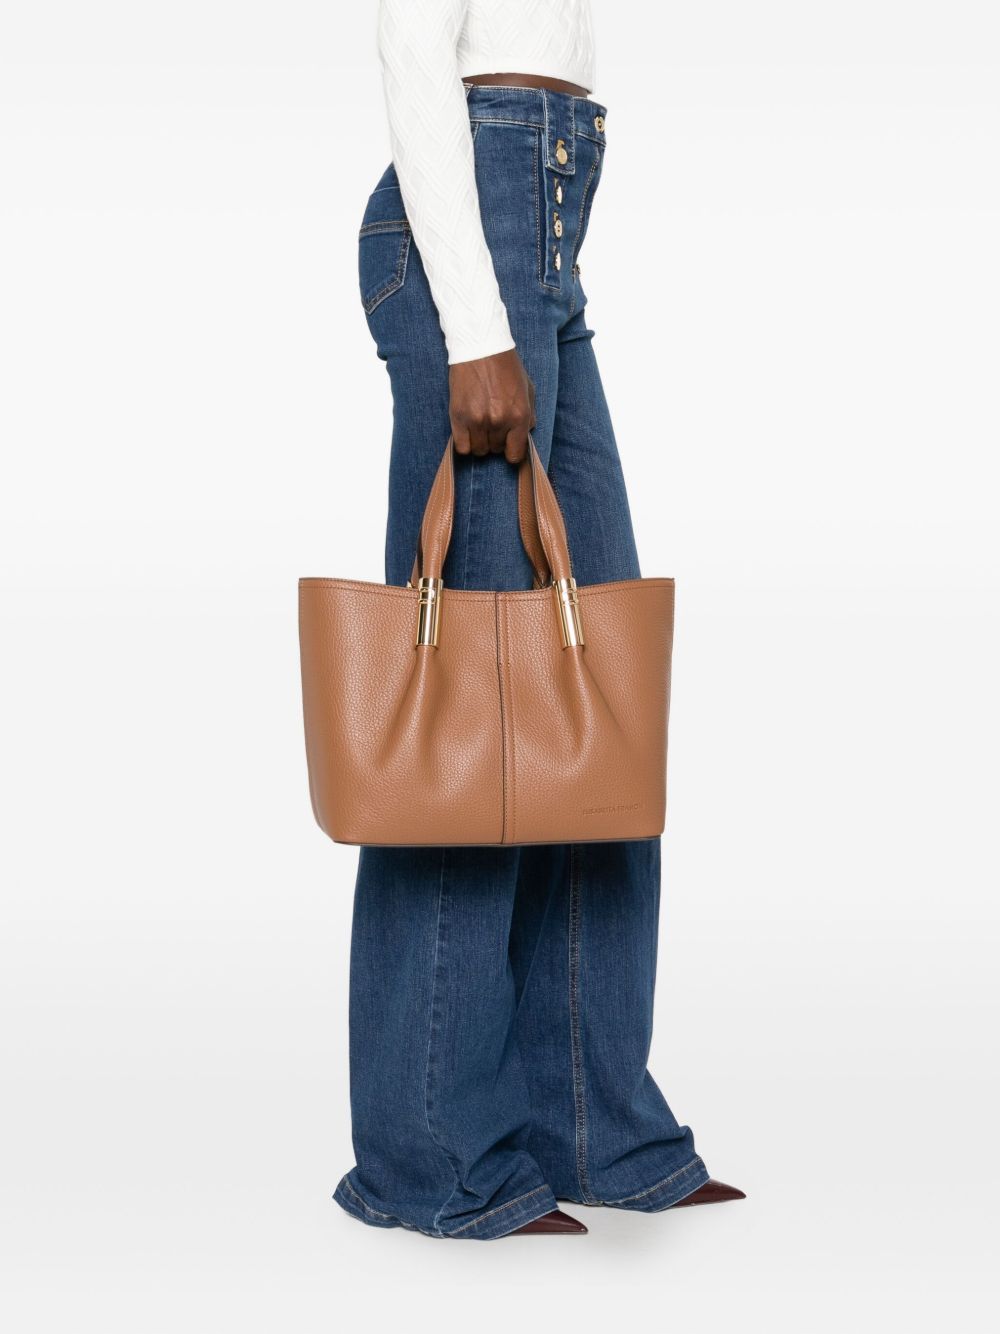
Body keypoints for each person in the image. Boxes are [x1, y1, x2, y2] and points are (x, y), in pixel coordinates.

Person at [334, 0, 744, 1239]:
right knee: (470, 709)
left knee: (591, 691)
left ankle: (585, 1116)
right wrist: (474, 326)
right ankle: (430, 1149)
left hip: (545, 213)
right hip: (479, 214)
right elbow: (413, 40)